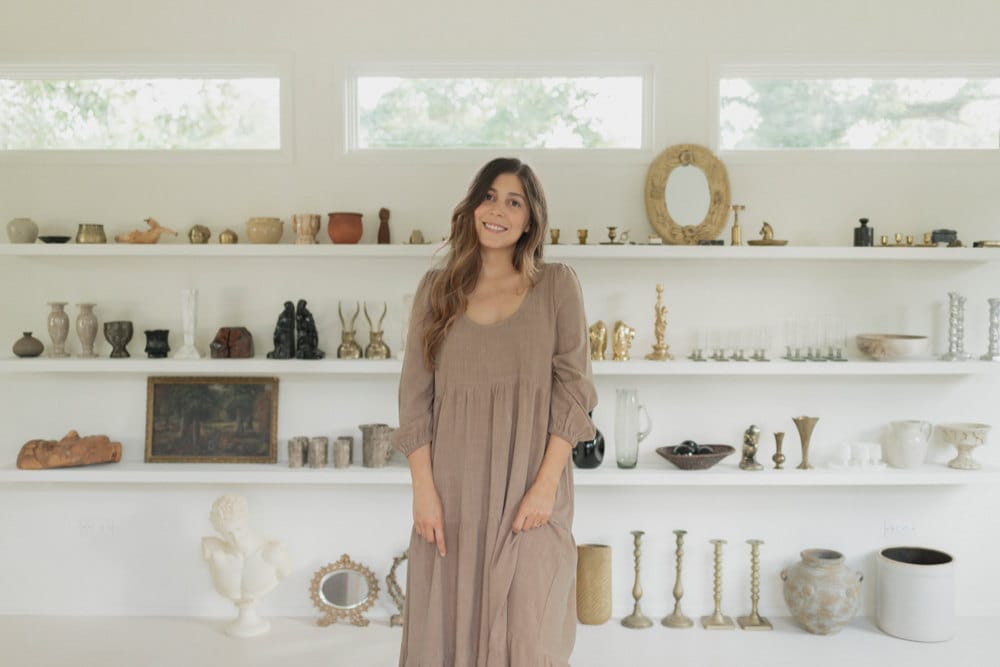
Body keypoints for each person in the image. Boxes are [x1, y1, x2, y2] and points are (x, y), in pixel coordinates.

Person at [391, 157, 598, 666]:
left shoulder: (556, 286)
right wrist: (424, 491)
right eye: (489, 196)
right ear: (471, 206)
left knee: (531, 629)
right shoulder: (437, 291)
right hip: (453, 490)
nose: (498, 210)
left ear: (530, 220)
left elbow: (574, 390)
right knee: (448, 625)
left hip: (532, 486)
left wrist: (546, 486)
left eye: (514, 201)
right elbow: (414, 396)